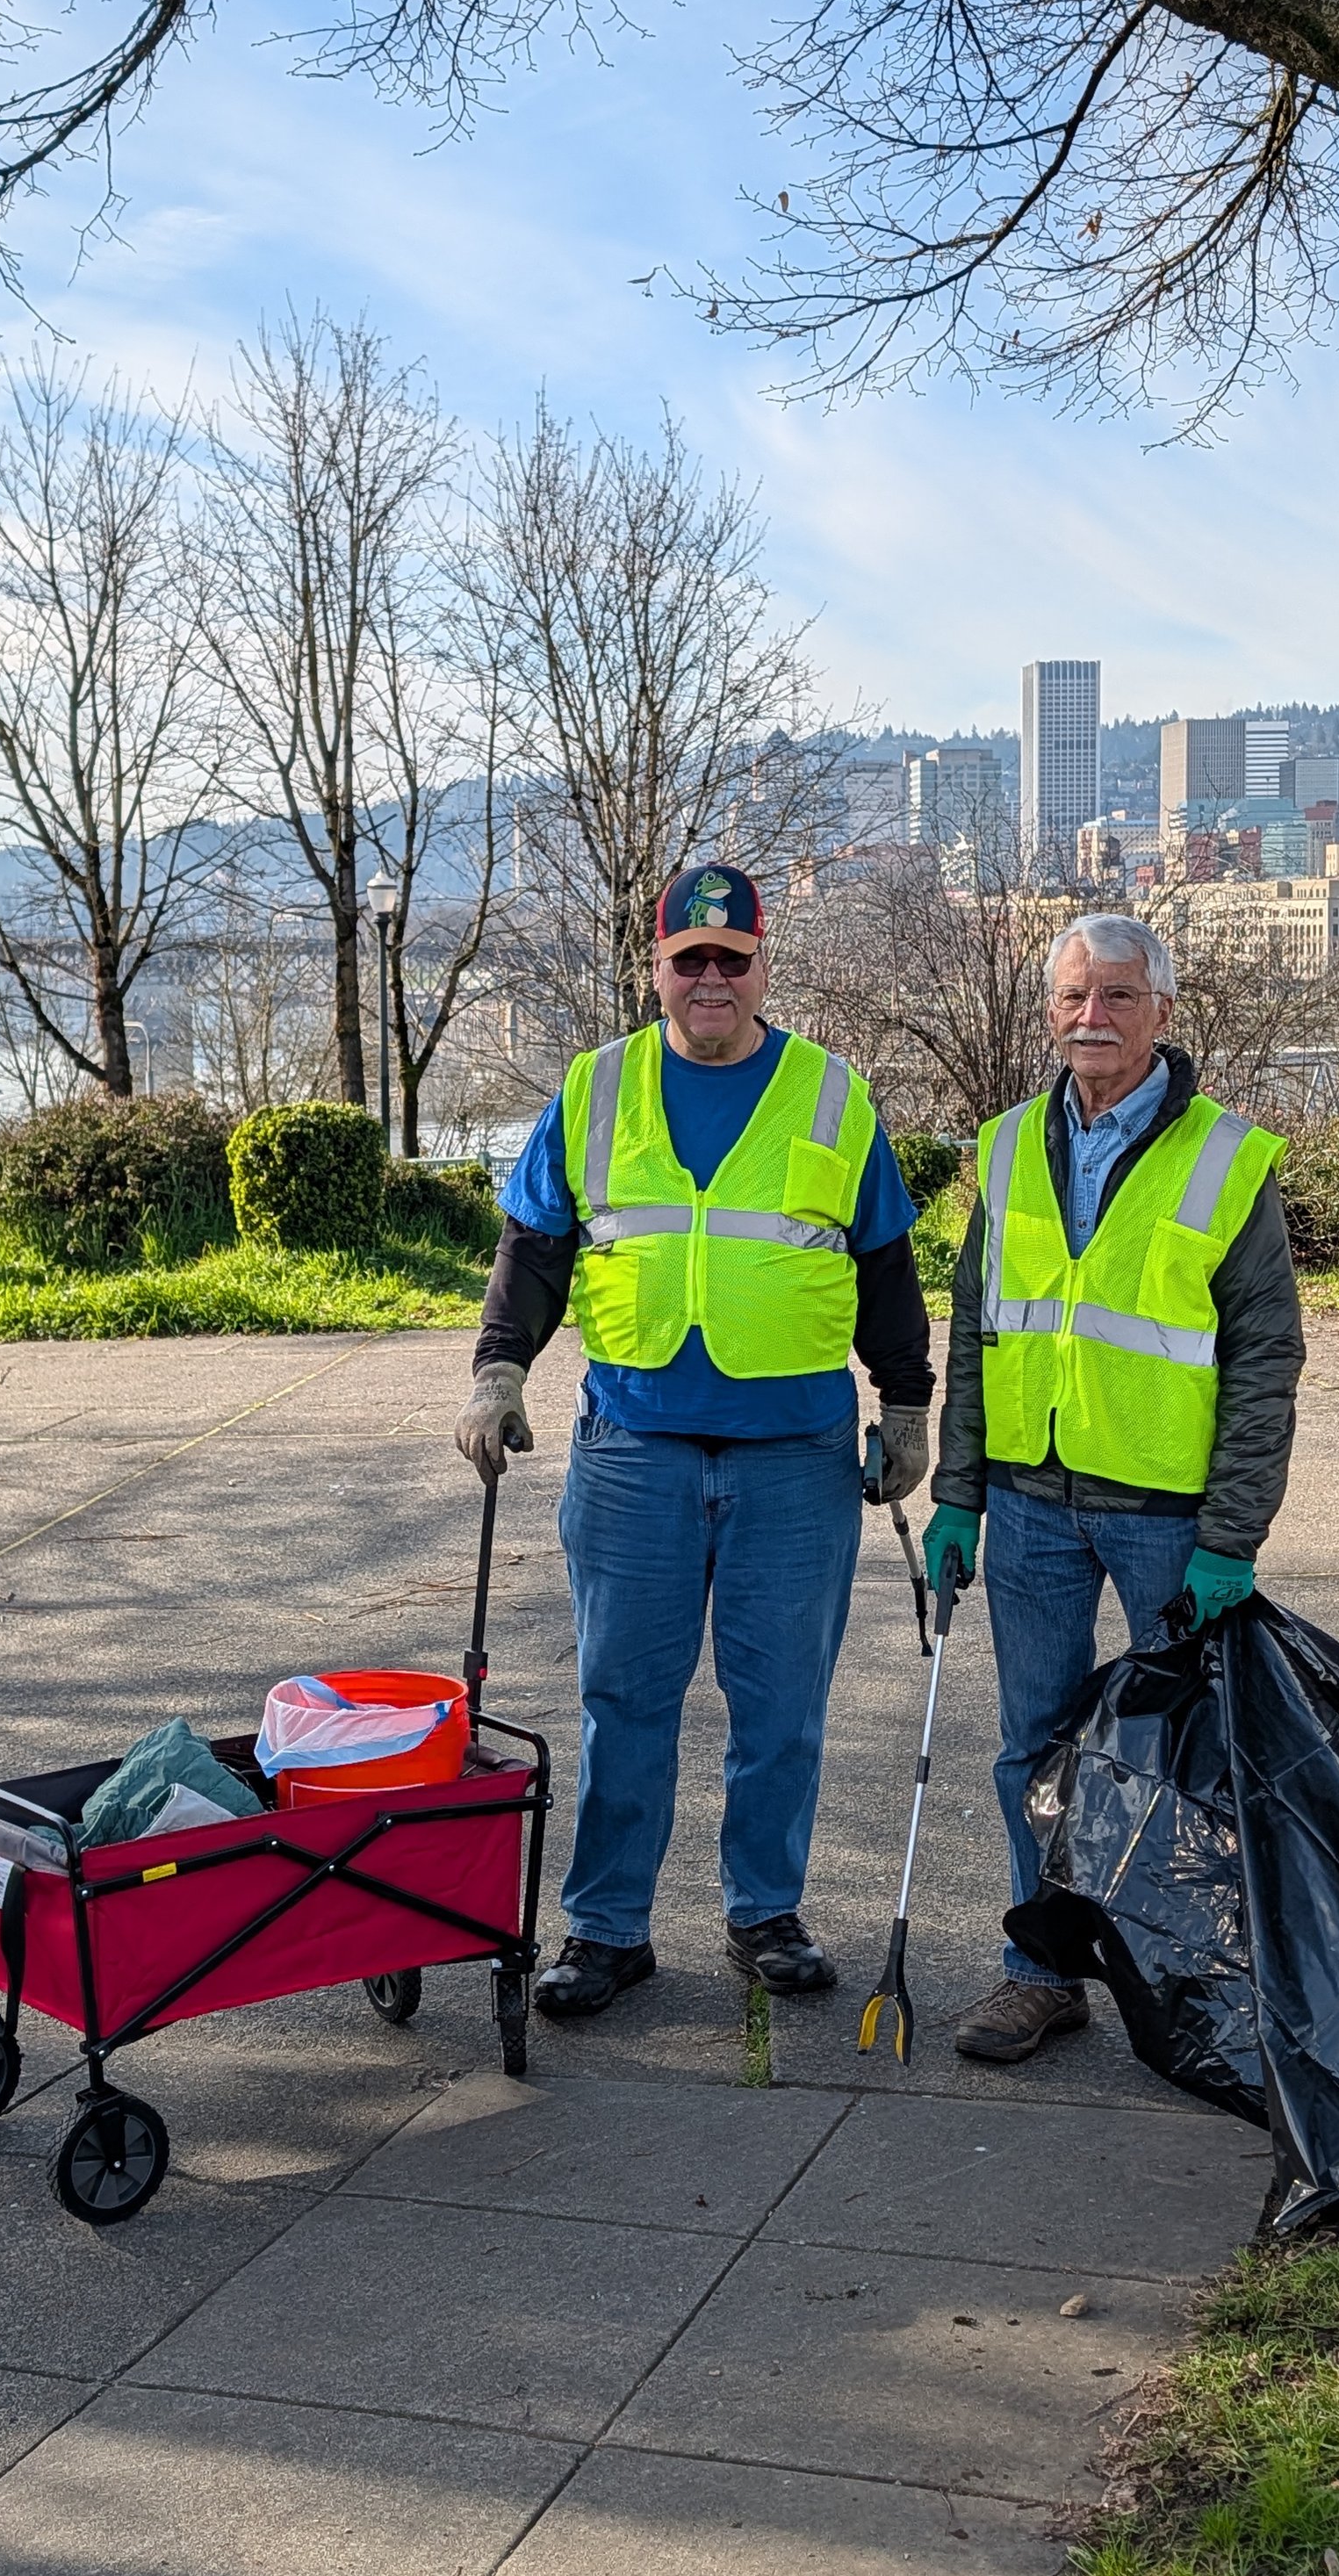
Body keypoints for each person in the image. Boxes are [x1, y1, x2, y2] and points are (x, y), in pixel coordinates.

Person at [454, 862, 935, 2017]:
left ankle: (764, 1914)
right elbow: (535, 1250)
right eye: (690, 959)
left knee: (780, 1710)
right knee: (625, 1701)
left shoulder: (832, 1094)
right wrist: (496, 1371)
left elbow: (885, 1264)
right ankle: (608, 1930)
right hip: (637, 1453)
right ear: (657, 970)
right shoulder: (595, 1087)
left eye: (734, 957)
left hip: (795, 1457)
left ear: (766, 966)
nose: (711, 977)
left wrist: (910, 1403)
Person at [925, 910, 1304, 2065]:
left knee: (1192, 1758)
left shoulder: (1228, 1159)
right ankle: (1039, 1973)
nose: (1094, 1020)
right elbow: (980, 1330)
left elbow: (1264, 1359)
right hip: (1032, 1504)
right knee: (1029, 1748)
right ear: (1050, 1008)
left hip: (1168, 1518)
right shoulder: (1004, 1148)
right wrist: (958, 1491)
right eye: (1075, 997)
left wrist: (1231, 1540)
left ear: (1164, 1013)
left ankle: (1198, 1981)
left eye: (1119, 998)